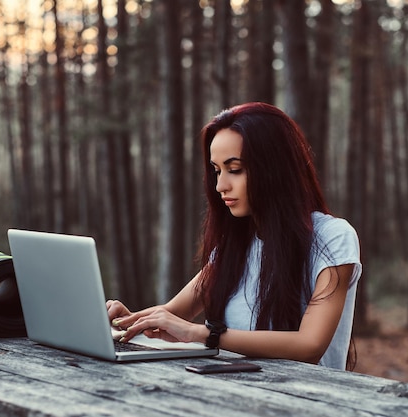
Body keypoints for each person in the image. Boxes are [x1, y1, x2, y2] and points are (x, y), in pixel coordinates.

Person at [106, 102, 362, 370]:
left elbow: (310, 345)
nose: (220, 186)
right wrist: (125, 323)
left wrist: (204, 334)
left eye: (235, 169)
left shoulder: (332, 238)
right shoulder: (234, 245)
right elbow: (172, 314)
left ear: (274, 168)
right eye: (217, 170)